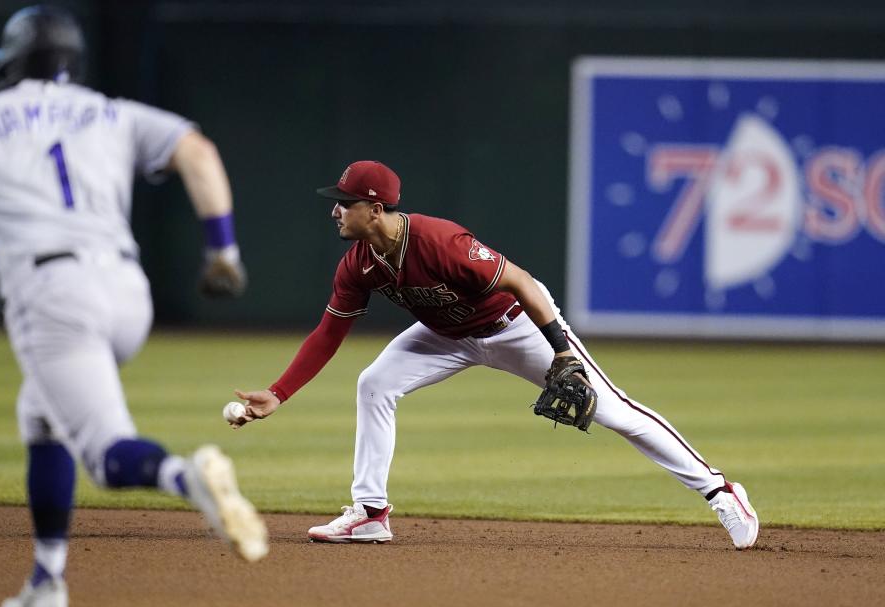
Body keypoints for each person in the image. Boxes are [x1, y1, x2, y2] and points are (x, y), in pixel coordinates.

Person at [0, 5, 267, 607]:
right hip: (126, 291)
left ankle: (190, 479)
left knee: (107, 457)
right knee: (40, 414)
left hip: (53, 295)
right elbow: (198, 152)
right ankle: (46, 584)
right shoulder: (112, 112)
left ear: (11, 63)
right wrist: (223, 250)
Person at [232, 159, 759, 549]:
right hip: (442, 335)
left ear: (375, 208)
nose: (336, 210)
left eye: (344, 202)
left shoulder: (439, 241)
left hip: (515, 327)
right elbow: (329, 332)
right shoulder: (358, 263)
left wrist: (561, 352)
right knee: (374, 383)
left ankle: (721, 492)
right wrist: (279, 393)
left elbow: (523, 282)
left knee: (617, 412)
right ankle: (371, 512)